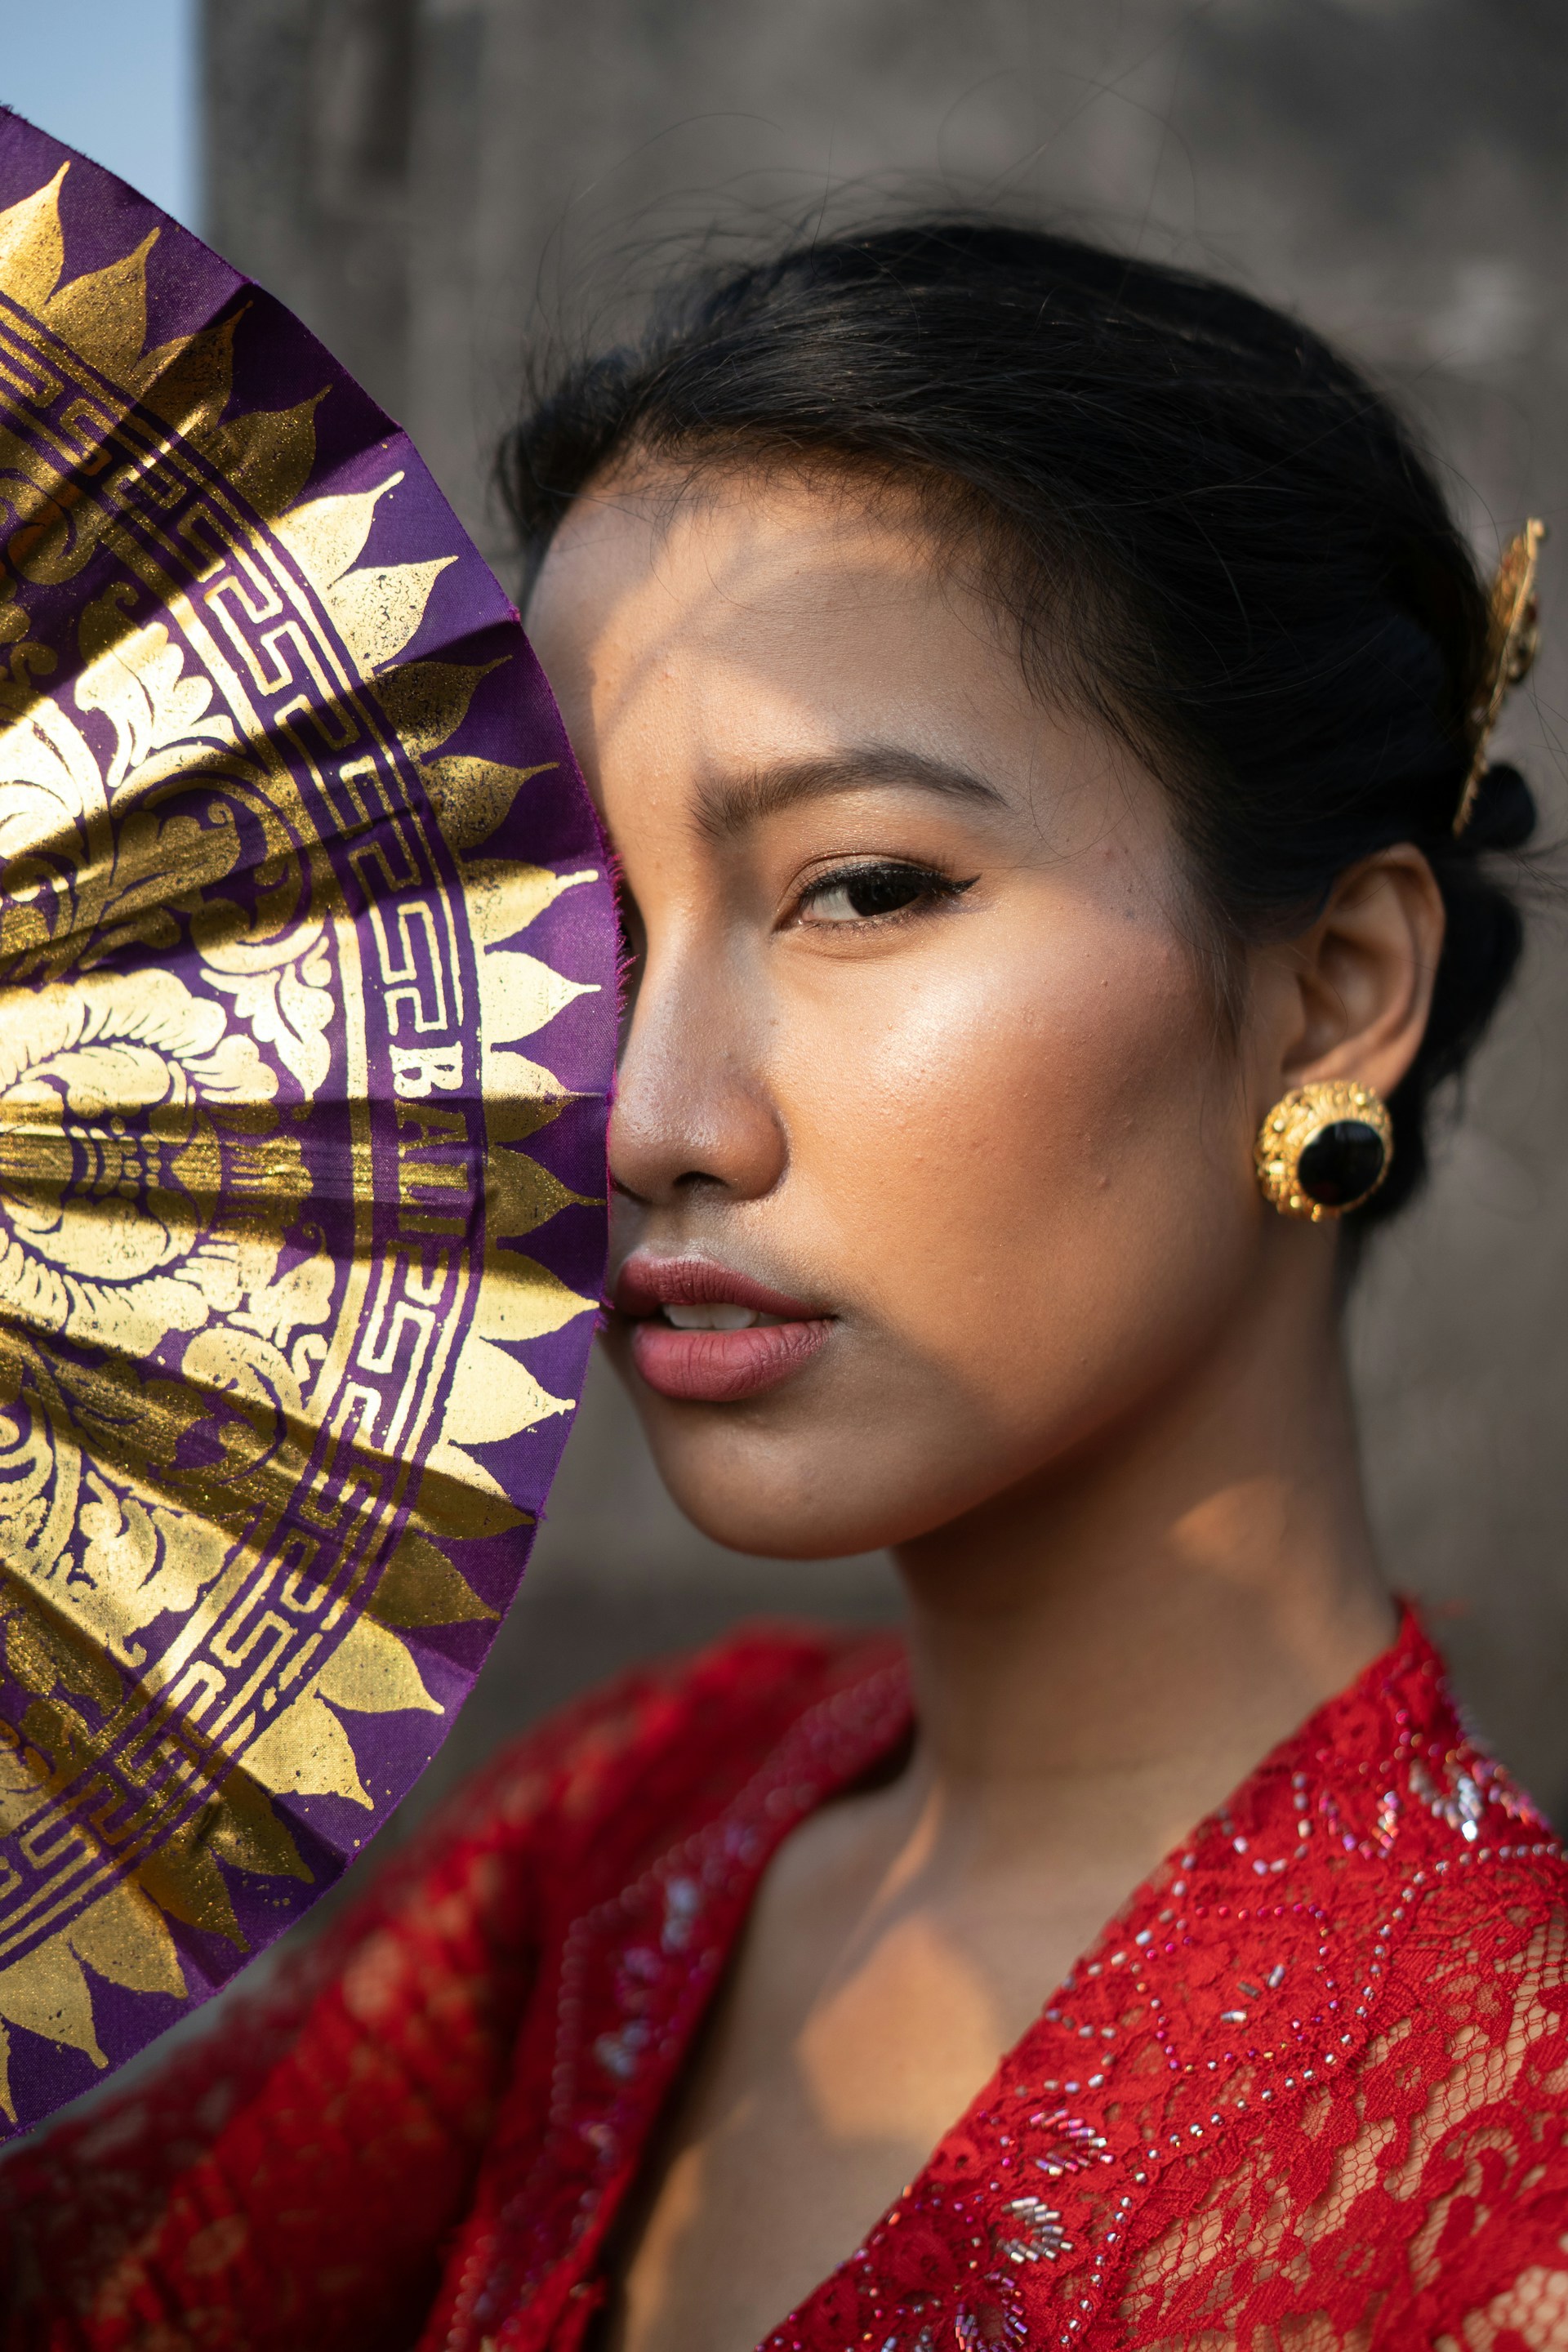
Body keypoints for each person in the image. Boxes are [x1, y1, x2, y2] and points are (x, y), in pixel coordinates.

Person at [3, 218, 1566, 2352]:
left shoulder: (1508, 2154)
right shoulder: (634, 1828)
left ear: (1336, 991)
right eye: (588, 935)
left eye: (860, 889)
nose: (645, 1117)